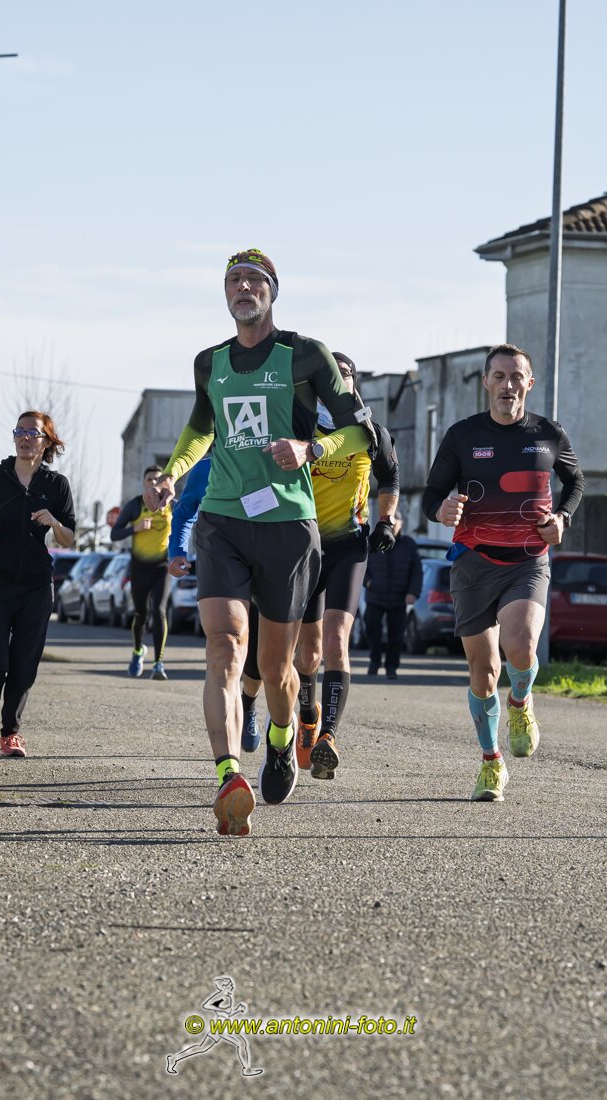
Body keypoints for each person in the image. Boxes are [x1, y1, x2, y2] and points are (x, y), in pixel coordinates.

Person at [154, 248, 371, 837]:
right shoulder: (210, 362)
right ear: (225, 293)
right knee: (224, 647)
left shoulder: (305, 355)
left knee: (277, 669)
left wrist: (311, 447)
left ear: (273, 291)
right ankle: (228, 774)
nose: (244, 287)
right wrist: (174, 473)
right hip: (223, 521)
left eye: (255, 280)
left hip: (289, 527)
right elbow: (201, 428)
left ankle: (280, 738)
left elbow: (361, 434)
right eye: (234, 280)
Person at [422, 344, 584, 802]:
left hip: (527, 561)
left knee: (522, 645)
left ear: (529, 383)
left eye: (516, 377)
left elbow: (575, 481)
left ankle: (520, 702)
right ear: (486, 383)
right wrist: (441, 510)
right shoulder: (462, 435)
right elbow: (431, 494)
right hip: (473, 563)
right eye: (499, 376)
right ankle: (491, 762)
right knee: (484, 670)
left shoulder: (549, 434)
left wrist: (562, 519)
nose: (507, 385)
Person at [290, 352, 399, 781]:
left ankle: (329, 738)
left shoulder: (371, 434)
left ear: (354, 384)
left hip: (350, 546)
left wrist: (386, 519)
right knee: (308, 654)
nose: (340, 381)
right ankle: (308, 715)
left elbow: (390, 478)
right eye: (331, 376)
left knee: (336, 641)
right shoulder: (300, 429)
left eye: (346, 374)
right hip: (304, 546)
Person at [0, 410, 77, 758]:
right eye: (20, 431)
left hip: (35, 585)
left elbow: (69, 537)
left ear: (46, 442)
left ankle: (10, 733)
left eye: (33, 433)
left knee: (24, 664)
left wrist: (54, 522)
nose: (25, 438)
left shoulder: (56, 485)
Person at [168, 454, 266, 753]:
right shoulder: (206, 468)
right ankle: (227, 753)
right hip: (223, 565)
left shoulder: (266, 459)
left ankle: (248, 703)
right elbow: (185, 512)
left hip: (268, 561)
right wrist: (177, 550)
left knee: (262, 659)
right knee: (227, 646)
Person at [111, 465, 173, 680]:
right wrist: (134, 528)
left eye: (158, 479)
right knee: (141, 614)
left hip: (163, 567)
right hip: (139, 568)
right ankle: (138, 651)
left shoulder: (171, 504)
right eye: (149, 479)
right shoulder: (135, 505)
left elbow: (186, 525)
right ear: (144, 482)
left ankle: (158, 664)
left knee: (159, 611)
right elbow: (114, 534)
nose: (154, 482)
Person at [361, 509, 422, 678]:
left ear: (401, 524)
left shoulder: (409, 544)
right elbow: (361, 564)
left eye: (395, 522)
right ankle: (374, 662)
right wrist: (367, 581)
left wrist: (413, 592)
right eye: (388, 522)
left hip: (398, 598)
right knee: (372, 629)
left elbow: (417, 571)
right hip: (375, 596)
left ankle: (391, 667)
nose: (392, 526)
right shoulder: (373, 541)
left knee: (396, 635)